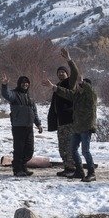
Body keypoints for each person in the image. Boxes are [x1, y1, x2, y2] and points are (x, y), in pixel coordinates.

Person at [44, 53, 99, 182]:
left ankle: (91, 172)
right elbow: (67, 93)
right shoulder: (77, 96)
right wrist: (53, 87)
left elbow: (85, 86)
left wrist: (69, 60)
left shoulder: (90, 96)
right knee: (72, 150)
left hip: (85, 127)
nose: (79, 86)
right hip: (76, 127)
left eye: (81, 85)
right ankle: (79, 171)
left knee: (85, 151)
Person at [1, 74, 44, 177]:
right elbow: (6, 94)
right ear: (19, 84)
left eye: (27, 83)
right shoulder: (14, 95)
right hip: (18, 126)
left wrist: (38, 124)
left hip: (29, 127)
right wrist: (4, 85)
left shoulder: (30, 97)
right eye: (23, 83)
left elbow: (34, 112)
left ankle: (23, 166)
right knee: (19, 149)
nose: (25, 84)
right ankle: (17, 169)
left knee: (29, 150)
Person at [46, 46, 77, 177]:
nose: (60, 74)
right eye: (59, 73)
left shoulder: (70, 83)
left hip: (69, 121)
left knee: (70, 146)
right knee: (62, 147)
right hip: (60, 122)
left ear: (67, 74)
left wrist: (69, 60)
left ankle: (73, 167)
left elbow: (75, 72)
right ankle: (67, 167)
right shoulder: (57, 86)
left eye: (63, 72)